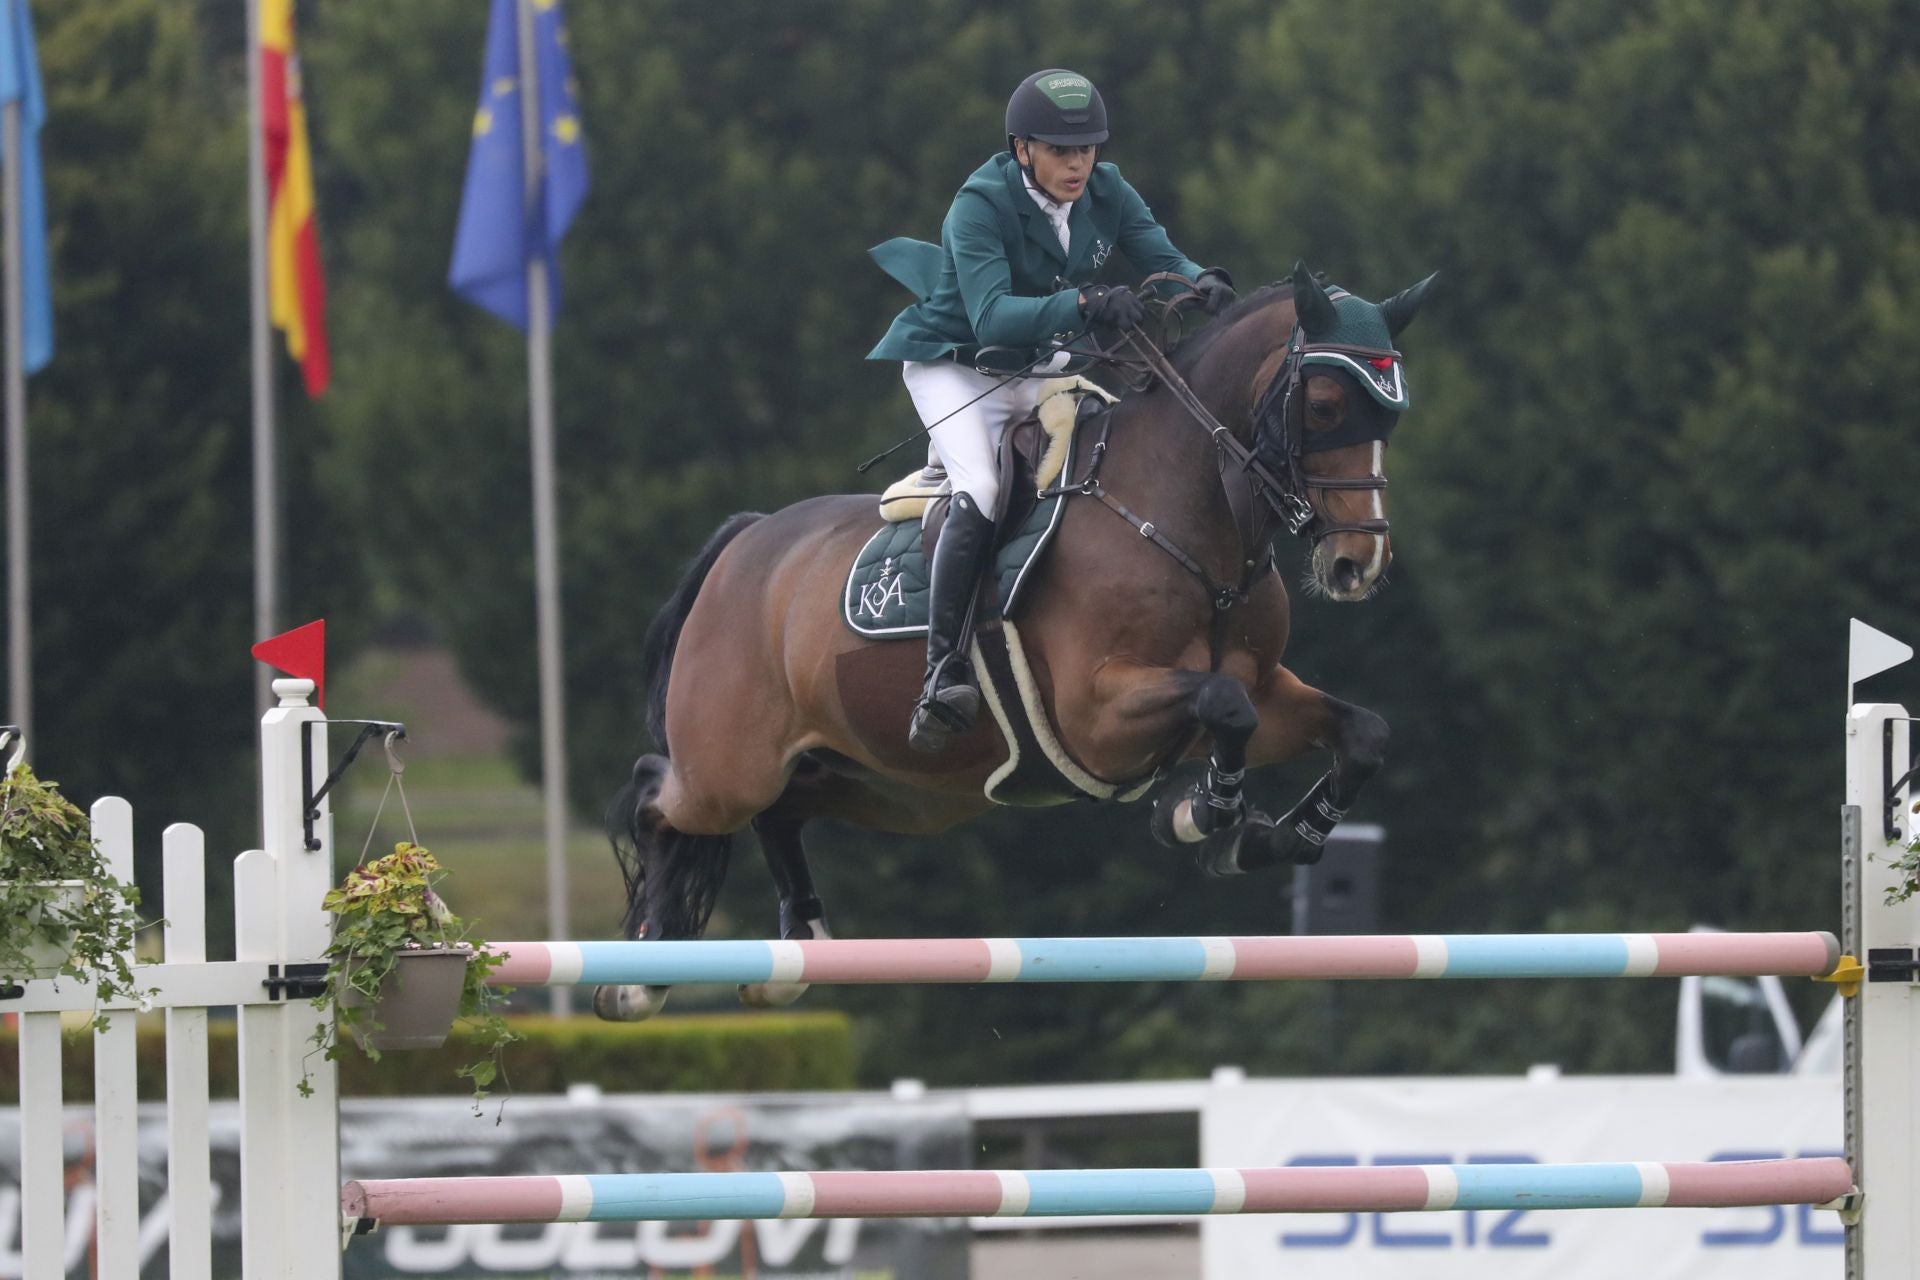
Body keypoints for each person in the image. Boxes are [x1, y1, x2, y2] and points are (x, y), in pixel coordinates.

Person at [868, 68, 1235, 755]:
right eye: (1061, 151)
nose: (1077, 165)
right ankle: (941, 673)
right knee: (979, 489)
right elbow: (993, 314)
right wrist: (1087, 304)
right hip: (959, 366)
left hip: (1040, 367)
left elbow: (1160, 252)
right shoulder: (978, 205)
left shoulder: (1107, 188)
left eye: (1087, 149)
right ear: (1021, 149)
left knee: (1117, 451)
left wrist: (1200, 280)